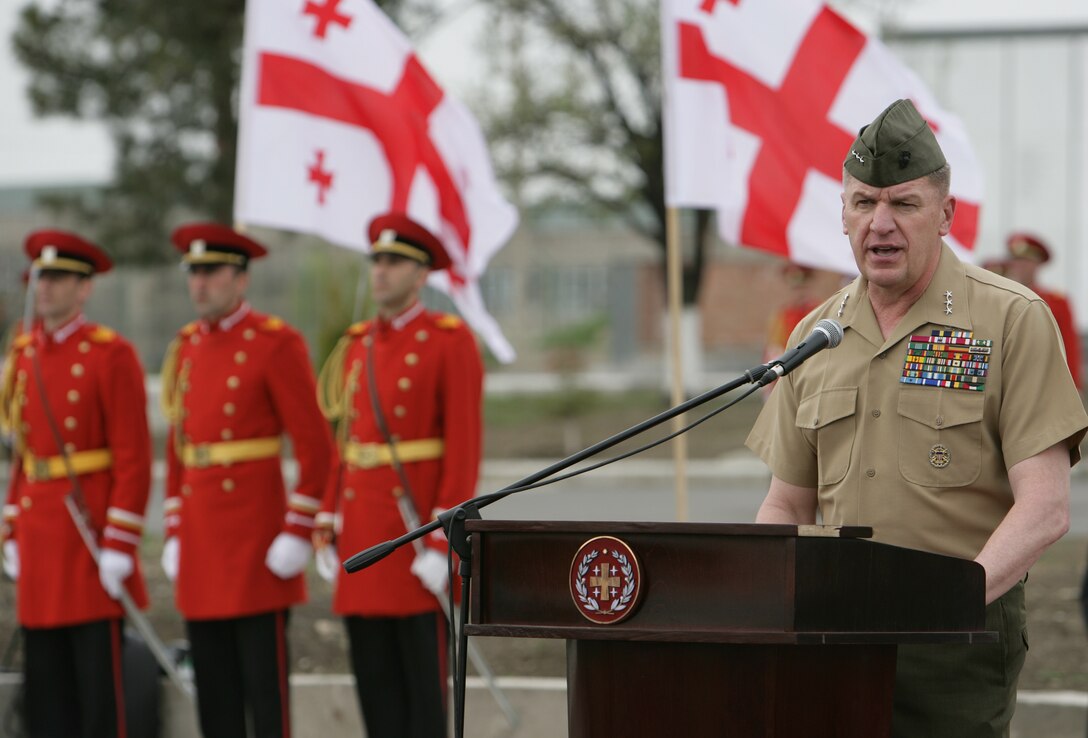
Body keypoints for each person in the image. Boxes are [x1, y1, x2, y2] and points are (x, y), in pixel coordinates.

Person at [745, 99, 1088, 737]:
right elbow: (786, 507)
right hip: (833, 640)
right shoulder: (815, 337)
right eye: (864, 203)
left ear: (946, 215)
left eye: (904, 204)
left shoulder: (1011, 320)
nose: (882, 224)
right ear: (842, 214)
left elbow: (1045, 509)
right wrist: (766, 605)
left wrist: (939, 609)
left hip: (954, 645)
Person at [159, 223, 334, 738]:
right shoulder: (186, 347)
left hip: (257, 543)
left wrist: (298, 530)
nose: (199, 284)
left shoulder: (274, 343)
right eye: (194, 273)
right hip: (201, 541)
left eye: (210, 272)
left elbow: (316, 449)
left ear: (240, 278)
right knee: (213, 694)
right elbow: (179, 448)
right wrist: (173, 527)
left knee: (264, 695)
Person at [314, 212, 483, 738]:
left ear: (420, 274)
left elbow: (463, 451)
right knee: (375, 689)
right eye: (377, 261)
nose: (381, 272)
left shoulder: (448, 340)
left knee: (423, 697)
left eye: (394, 262)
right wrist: (327, 517)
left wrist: (441, 546)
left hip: (414, 543)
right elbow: (345, 443)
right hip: (365, 535)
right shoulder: (357, 344)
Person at [0, 230, 152, 737]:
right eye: (40, 277)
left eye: (59, 278)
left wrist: (121, 541)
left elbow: (133, 456)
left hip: (88, 541)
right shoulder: (23, 358)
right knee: (46, 696)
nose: (45, 288)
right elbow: (23, 456)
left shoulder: (110, 354)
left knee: (96, 697)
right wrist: (12, 529)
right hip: (42, 541)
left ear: (84, 288)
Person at [1002, 231, 1082, 388]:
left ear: (1036, 264)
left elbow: (1070, 348)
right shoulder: (1001, 298)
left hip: (1045, 384)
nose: (1018, 267)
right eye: (1015, 261)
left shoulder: (1057, 302)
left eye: (1025, 261)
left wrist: (1073, 387)